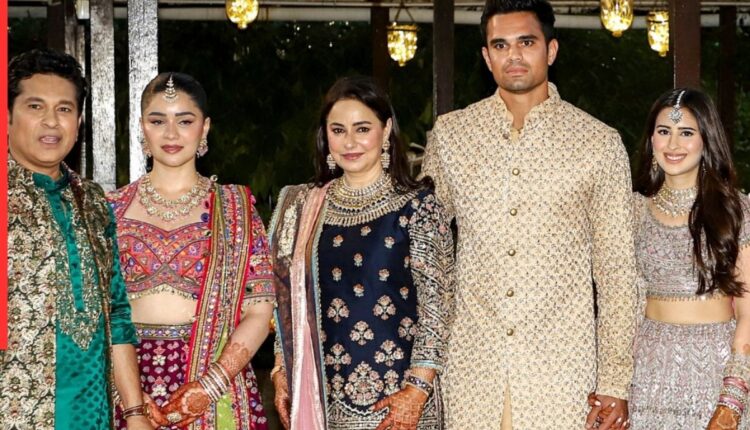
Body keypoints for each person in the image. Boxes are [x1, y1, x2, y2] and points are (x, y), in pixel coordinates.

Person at [420, 0, 637, 428]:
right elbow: (426, 251)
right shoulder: (451, 135)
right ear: (487, 57)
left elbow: (617, 272)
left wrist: (615, 381)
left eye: (527, 42)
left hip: (562, 375)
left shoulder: (597, 143)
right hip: (471, 369)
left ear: (550, 50)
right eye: (500, 45)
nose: (514, 55)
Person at [269, 76, 454, 430]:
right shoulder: (304, 207)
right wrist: (281, 369)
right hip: (321, 400)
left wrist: (416, 392)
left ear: (386, 131)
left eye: (362, 129)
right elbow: (285, 303)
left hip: (400, 406)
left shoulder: (417, 206)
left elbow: (438, 307)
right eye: (338, 130)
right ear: (326, 136)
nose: (350, 142)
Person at [107, 72, 274, 429]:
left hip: (217, 385)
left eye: (184, 121)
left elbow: (260, 310)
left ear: (205, 127)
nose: (171, 134)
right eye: (158, 121)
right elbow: (96, 315)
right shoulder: (111, 209)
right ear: (142, 127)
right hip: (129, 383)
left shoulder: (236, 209)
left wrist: (208, 386)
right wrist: (129, 400)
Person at [2, 49, 153, 429]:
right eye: (35, 106)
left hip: (91, 412)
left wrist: (134, 412)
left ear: (80, 121)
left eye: (65, 109)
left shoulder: (94, 201)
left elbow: (116, 313)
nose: (51, 121)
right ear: (7, 117)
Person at [626, 88, 750, 430]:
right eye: (664, 131)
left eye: (686, 133)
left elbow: (748, 314)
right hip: (647, 371)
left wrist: (732, 401)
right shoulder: (631, 210)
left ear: (706, 139)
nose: (673, 144)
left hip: (715, 369)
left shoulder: (736, 211)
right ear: (651, 140)